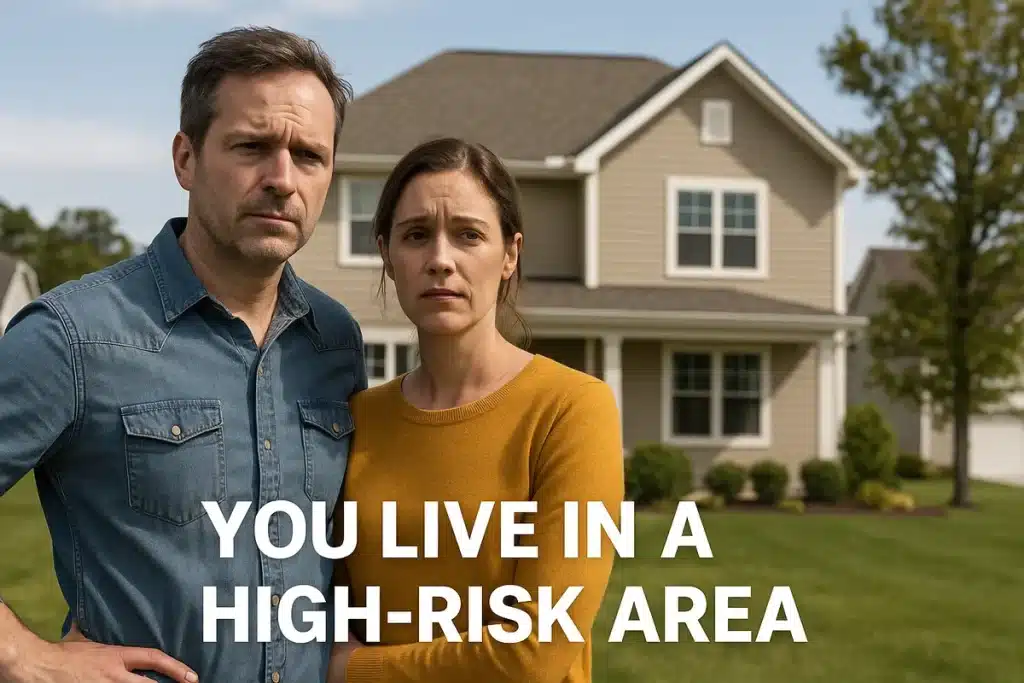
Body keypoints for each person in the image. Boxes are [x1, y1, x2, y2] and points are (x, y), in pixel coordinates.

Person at [0, 26, 366, 683]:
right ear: (185, 158)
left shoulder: (334, 342)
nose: (282, 179)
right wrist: (27, 658)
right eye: (252, 146)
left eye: (308, 155)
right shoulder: (74, 336)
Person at [325, 137, 625, 683]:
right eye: (416, 235)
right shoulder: (359, 418)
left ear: (509, 254)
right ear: (388, 256)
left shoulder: (572, 409)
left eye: (468, 235)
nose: (441, 260)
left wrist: (351, 670)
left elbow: (536, 651)